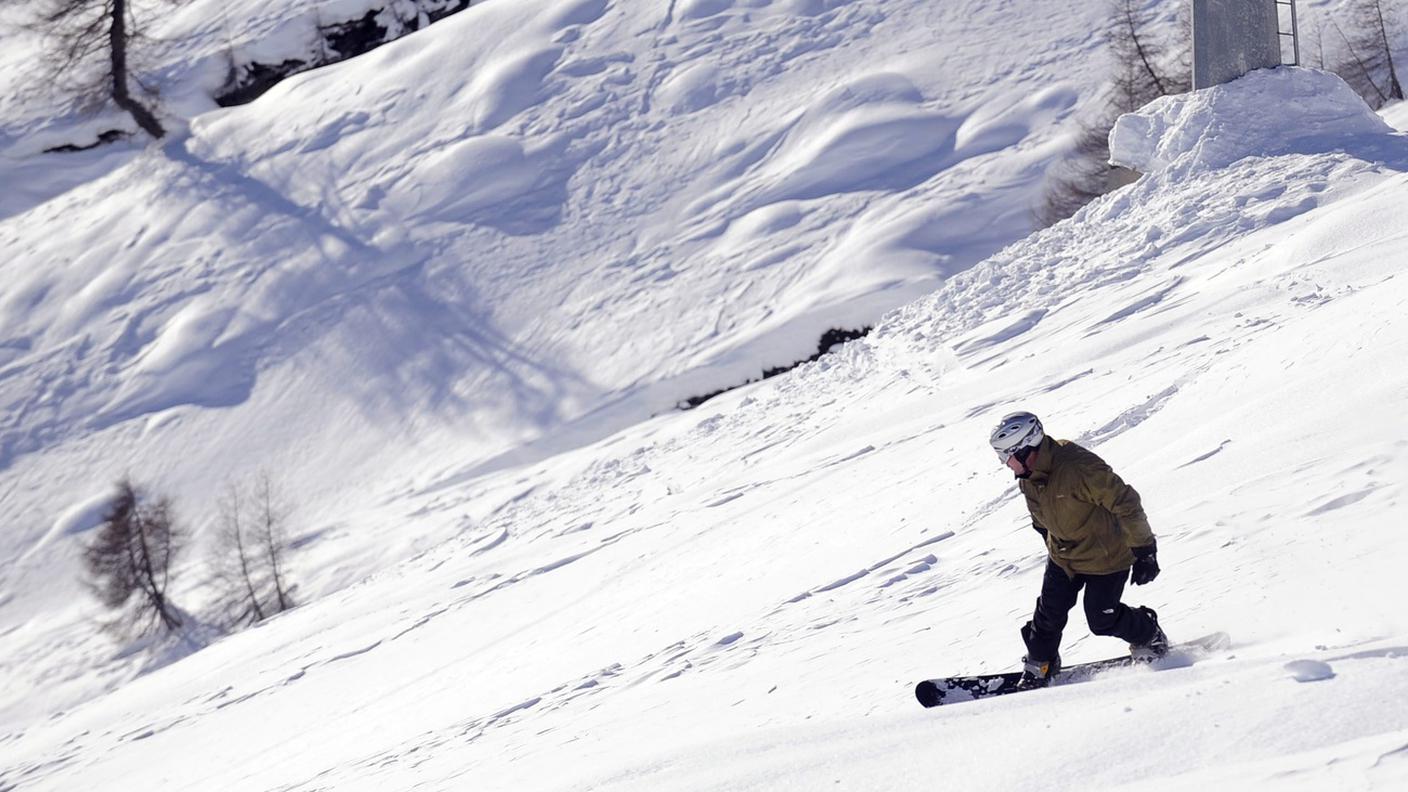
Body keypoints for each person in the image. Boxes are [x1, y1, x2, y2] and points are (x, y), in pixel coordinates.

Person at [988, 411, 1168, 688]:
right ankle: (1041, 663)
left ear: (1027, 449)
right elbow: (1041, 515)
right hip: (1064, 556)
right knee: (1048, 614)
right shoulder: (1028, 475)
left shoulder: (1079, 468)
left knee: (1102, 619)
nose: (1005, 465)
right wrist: (1048, 538)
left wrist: (1145, 550)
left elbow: (1126, 502)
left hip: (1106, 556)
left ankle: (1148, 633)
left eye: (1007, 457)